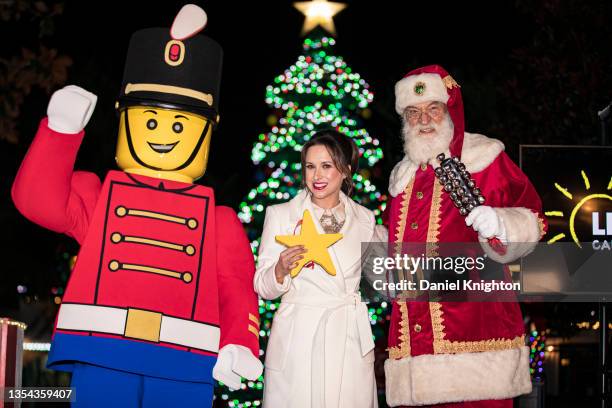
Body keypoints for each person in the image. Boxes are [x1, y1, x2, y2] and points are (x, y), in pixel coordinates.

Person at [11, 5, 261, 407]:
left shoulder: (220, 222)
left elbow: (236, 288)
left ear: (207, 131)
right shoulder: (98, 197)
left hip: (185, 358)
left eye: (179, 124)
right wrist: (59, 134)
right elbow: (36, 203)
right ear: (124, 119)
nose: (163, 132)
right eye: (149, 120)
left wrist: (239, 341)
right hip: (102, 348)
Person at [383, 65, 547, 407]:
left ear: (449, 111)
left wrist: (501, 224)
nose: (423, 119)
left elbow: (533, 217)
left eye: (433, 109)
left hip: (477, 341)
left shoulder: (483, 157)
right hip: (417, 349)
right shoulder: (401, 179)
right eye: (413, 113)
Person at [254, 130, 382, 408]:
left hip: (348, 335)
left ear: (346, 171)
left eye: (327, 166)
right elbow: (262, 286)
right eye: (310, 166)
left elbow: (383, 276)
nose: (317, 176)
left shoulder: (365, 219)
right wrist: (279, 269)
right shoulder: (281, 215)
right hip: (299, 336)